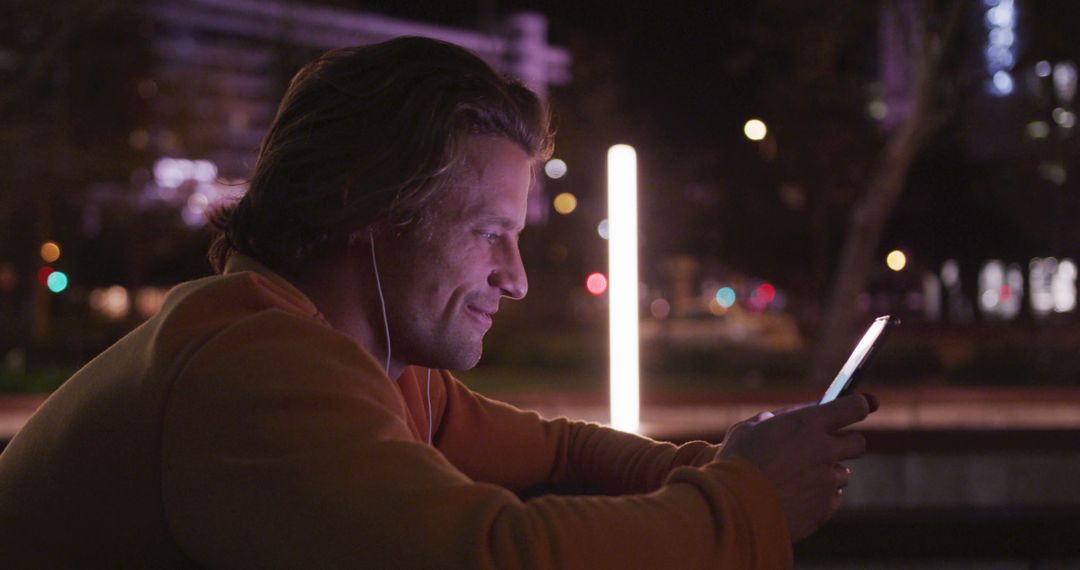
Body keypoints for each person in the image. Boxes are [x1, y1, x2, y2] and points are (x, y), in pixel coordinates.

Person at [0, 36, 874, 568]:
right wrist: (746, 505)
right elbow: (489, 558)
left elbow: (557, 450)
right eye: (487, 232)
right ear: (364, 211)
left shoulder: (371, 368)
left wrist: (734, 468)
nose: (518, 277)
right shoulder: (251, 366)